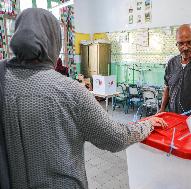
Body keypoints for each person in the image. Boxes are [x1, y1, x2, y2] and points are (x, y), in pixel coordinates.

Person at [0, 8, 167, 189]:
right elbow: (115, 138)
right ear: (54, 42)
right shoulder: (69, 91)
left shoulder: (3, 80)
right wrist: (147, 124)